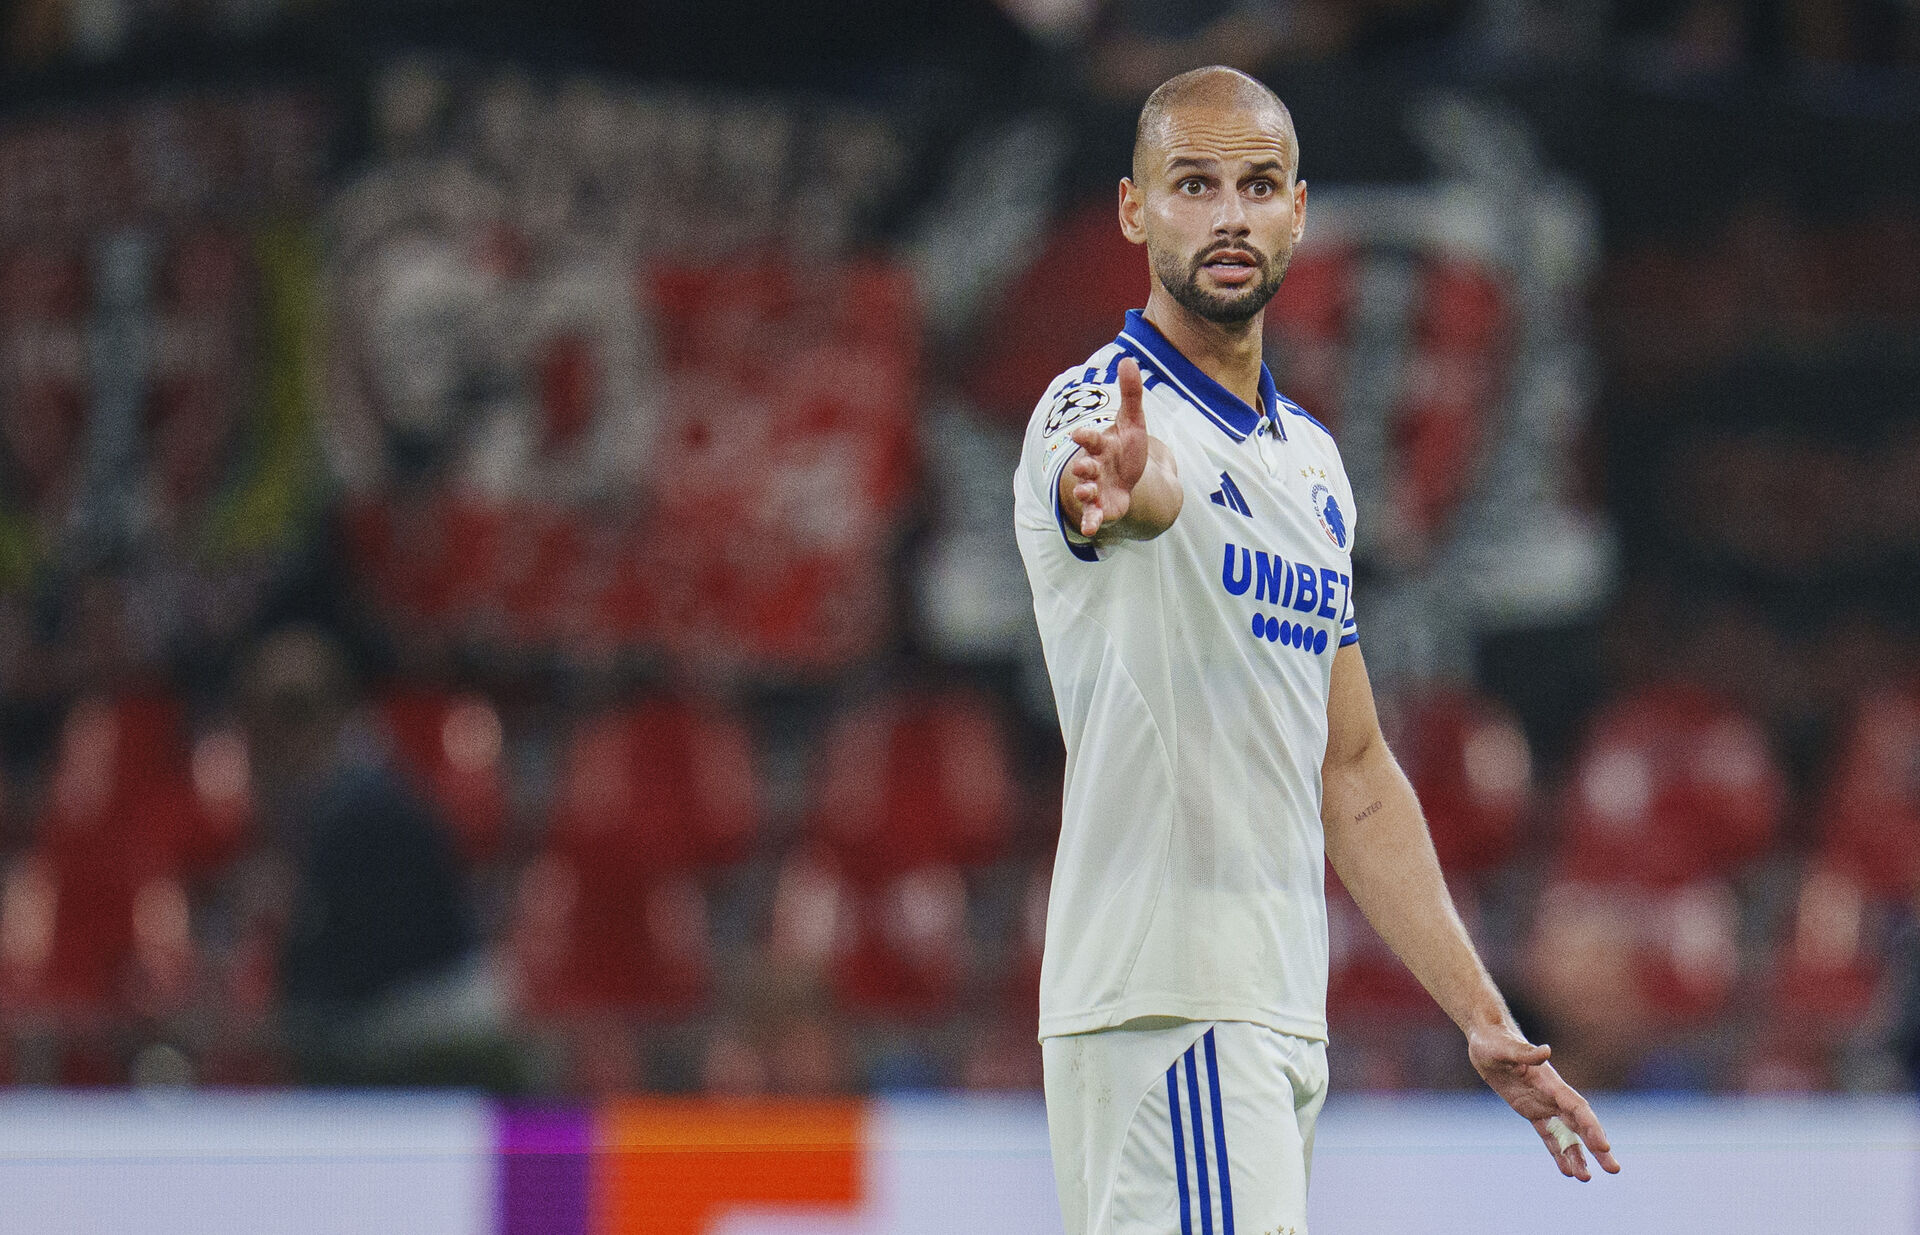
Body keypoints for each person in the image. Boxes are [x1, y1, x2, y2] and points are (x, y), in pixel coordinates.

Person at [1013, 66, 1619, 1234]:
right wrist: (1126, 490)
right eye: (1193, 184)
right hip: (1171, 1005)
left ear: (1299, 212)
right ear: (1134, 210)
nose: (1229, 215)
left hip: (1271, 1013)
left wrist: (1481, 1012)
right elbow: (1132, 487)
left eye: (1257, 186)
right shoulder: (1094, 409)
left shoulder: (1312, 466)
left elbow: (1351, 768)